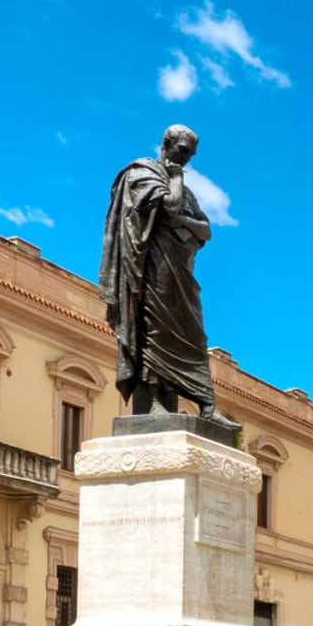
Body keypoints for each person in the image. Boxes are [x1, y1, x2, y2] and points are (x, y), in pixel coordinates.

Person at [99, 124, 237, 427]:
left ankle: (206, 405)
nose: (186, 159)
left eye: (190, 155)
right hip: (153, 272)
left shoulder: (184, 190)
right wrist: (175, 185)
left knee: (195, 337)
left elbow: (206, 229)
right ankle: (157, 402)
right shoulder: (141, 174)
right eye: (183, 151)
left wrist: (182, 218)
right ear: (166, 143)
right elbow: (170, 208)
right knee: (156, 332)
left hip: (182, 277)